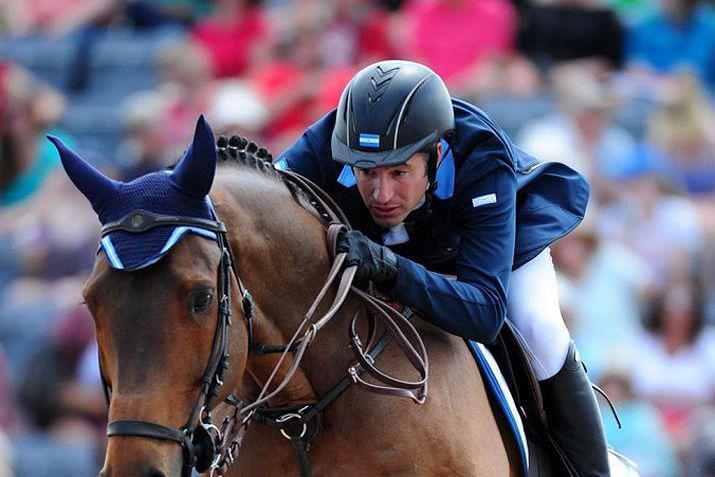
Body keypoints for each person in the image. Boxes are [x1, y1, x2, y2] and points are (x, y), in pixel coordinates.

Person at [275, 60, 608, 475]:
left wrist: (393, 270)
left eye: (399, 172)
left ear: (434, 155)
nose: (382, 194)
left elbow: (484, 313)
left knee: (541, 330)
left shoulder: (481, 154)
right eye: (366, 172)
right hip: (385, 250)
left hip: (488, 251)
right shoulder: (326, 143)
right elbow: (269, 206)